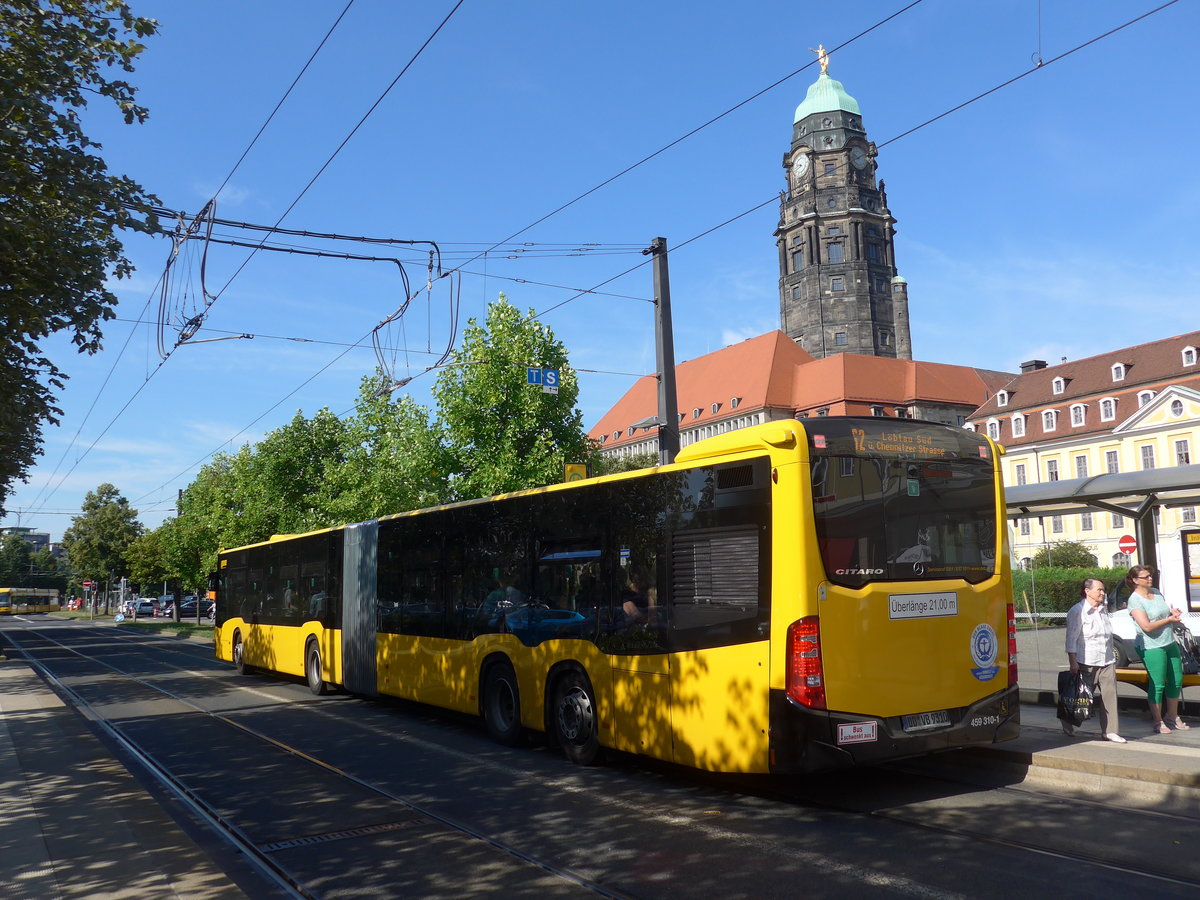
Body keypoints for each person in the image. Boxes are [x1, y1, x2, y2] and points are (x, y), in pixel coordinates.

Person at [1126, 564, 1190, 734]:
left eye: (1150, 575)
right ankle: (1158, 721)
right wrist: (1169, 620)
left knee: (1176, 680)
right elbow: (1146, 627)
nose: (1150, 578)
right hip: (1151, 646)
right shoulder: (1135, 600)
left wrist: (1173, 613)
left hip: (1169, 642)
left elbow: (1164, 611)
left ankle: (1172, 716)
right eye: (1145, 576)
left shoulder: (1156, 592)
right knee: (1158, 684)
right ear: (1135, 580)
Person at [1063, 578, 1125, 742]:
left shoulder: (1102, 610)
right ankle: (1068, 720)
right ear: (1087, 591)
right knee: (1081, 697)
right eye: (1099, 590)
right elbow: (1071, 639)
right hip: (1086, 661)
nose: (1102, 593)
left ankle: (1110, 731)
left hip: (1107, 660)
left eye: (1103, 590)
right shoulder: (1077, 611)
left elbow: (1108, 637)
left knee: (1110, 696)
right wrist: (1073, 662)